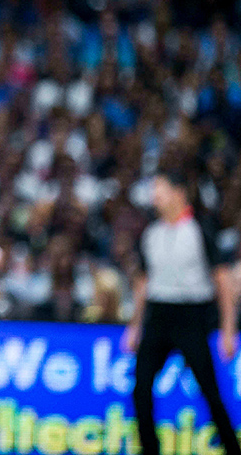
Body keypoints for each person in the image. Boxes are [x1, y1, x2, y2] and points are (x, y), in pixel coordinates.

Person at [121, 166, 241, 455]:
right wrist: (135, 326)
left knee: (209, 392)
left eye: (159, 189)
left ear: (178, 193)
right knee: (140, 388)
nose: (154, 196)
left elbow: (223, 282)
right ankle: (150, 449)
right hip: (159, 316)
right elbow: (143, 284)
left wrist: (228, 329)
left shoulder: (199, 229)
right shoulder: (151, 233)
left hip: (191, 317)